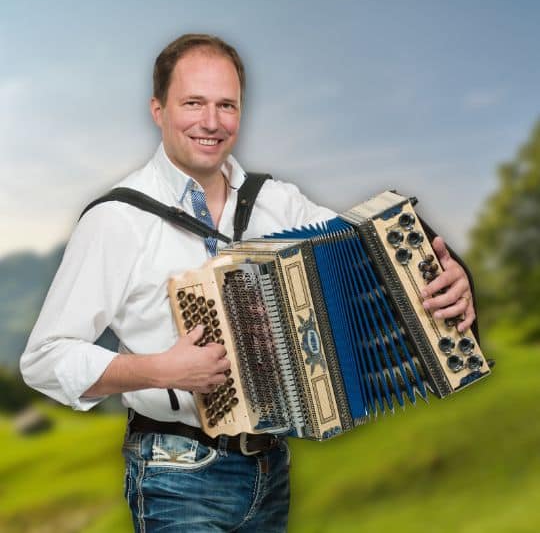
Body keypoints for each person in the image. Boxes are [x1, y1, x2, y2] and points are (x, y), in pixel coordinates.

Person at [20, 34, 476, 532]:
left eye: (226, 105)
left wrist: (451, 277)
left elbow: (376, 255)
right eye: (193, 103)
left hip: (270, 468)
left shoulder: (278, 201)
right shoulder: (117, 219)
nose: (211, 122)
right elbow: (46, 358)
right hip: (175, 470)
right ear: (158, 109)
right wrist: (161, 369)